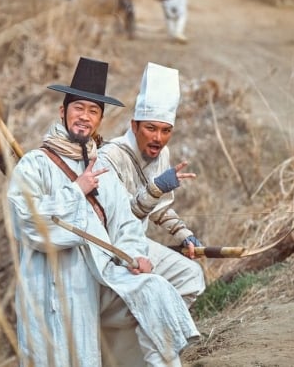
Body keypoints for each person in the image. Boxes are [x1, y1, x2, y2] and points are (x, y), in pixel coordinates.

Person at [7, 57, 200, 367]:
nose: (85, 116)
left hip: (99, 280)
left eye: (93, 111)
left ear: (100, 119)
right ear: (62, 112)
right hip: (53, 288)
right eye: (78, 108)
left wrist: (135, 255)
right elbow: (26, 222)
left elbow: (125, 224)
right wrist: (76, 190)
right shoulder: (35, 163)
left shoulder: (100, 167)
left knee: (154, 291)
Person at [98, 62, 206, 366]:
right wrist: (156, 189)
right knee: (150, 291)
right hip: (112, 247)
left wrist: (184, 235)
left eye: (166, 130)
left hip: (140, 243)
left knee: (191, 277)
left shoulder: (162, 153)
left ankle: (149, 348)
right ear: (134, 126)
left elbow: (160, 208)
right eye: (151, 129)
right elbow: (120, 217)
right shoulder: (110, 156)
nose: (158, 138)